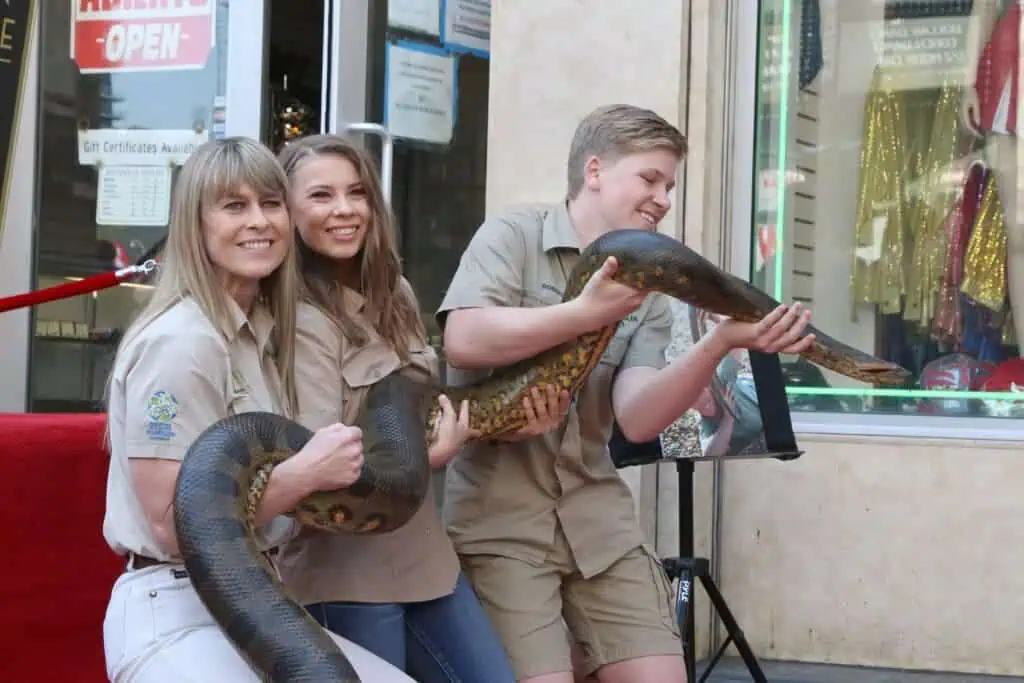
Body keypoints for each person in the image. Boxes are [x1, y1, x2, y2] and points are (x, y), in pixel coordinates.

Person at [436, 104, 816, 683]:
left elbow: (638, 420)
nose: (663, 198)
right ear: (594, 171)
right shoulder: (514, 234)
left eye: (670, 186)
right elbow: (463, 339)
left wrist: (718, 344)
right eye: (650, 179)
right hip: (502, 527)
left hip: (600, 522)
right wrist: (583, 315)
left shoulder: (650, 287)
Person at [100, 136, 415, 682]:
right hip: (174, 607)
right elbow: (173, 526)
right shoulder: (183, 342)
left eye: (271, 204)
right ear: (195, 225)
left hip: (255, 591)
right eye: (234, 206)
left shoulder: (259, 334)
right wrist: (306, 475)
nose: (259, 222)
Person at [273, 133, 570, 682]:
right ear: (287, 211)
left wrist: (505, 425)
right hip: (343, 574)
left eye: (357, 192)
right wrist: (426, 460)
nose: (344, 209)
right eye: (320, 196)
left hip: (427, 560)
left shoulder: (396, 294)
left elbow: (431, 413)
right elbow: (322, 465)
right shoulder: (294, 319)